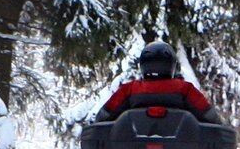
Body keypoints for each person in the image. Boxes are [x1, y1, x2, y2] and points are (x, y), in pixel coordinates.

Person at [97, 41, 226, 124]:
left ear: (143, 64)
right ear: (172, 65)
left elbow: (103, 117)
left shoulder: (129, 90)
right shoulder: (184, 89)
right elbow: (210, 117)